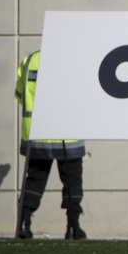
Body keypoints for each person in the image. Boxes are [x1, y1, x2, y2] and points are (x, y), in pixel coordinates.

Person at [15, 51, 87, 241]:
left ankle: (23, 224)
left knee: (34, 180)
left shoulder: (29, 61)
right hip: (68, 133)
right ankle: (73, 227)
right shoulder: (72, 59)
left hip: (37, 133)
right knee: (72, 181)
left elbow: (20, 95)